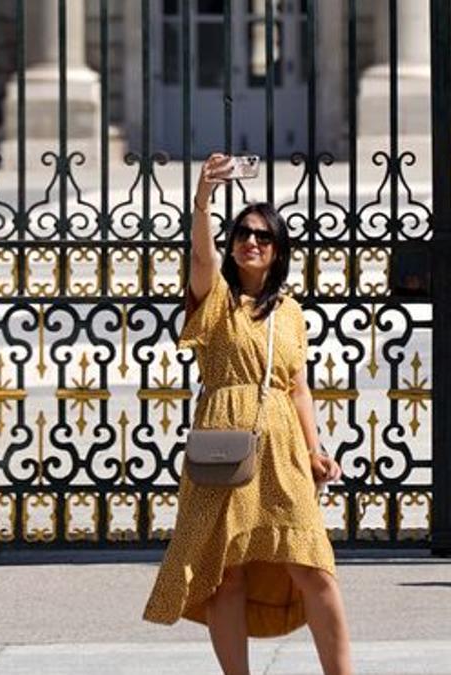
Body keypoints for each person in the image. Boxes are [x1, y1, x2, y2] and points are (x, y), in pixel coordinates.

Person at [143, 154, 352, 675]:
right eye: (242, 235)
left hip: (281, 446)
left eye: (262, 236)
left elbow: (299, 387)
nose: (250, 242)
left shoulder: (292, 312)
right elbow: (200, 256)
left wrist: (315, 449)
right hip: (224, 440)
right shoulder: (215, 300)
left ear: (277, 249)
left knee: (313, 567)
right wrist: (203, 199)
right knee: (225, 571)